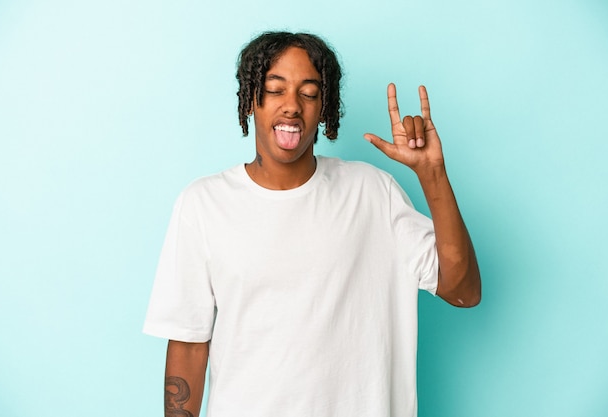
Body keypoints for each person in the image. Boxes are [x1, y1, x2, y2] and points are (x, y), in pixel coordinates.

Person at [144, 31, 481, 417]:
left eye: (308, 93)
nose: (291, 106)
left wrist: (433, 175)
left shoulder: (372, 193)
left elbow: (463, 291)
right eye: (275, 89)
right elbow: (188, 343)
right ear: (251, 99)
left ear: (324, 107)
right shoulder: (203, 204)